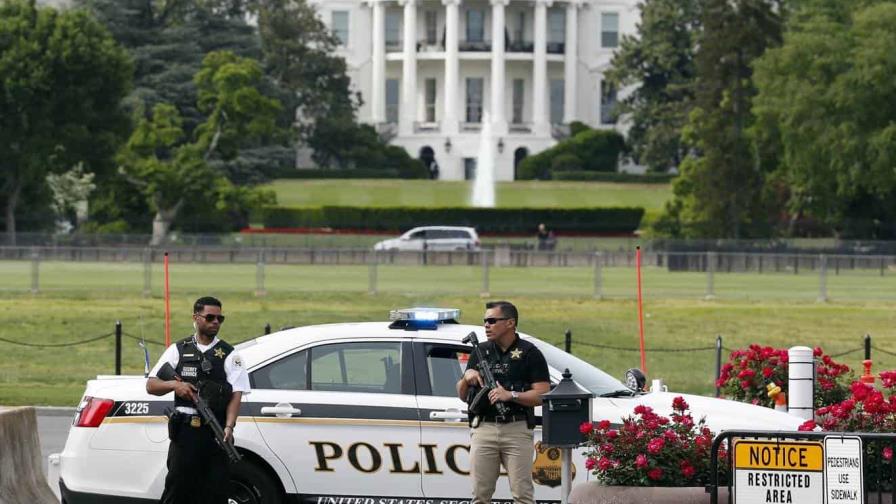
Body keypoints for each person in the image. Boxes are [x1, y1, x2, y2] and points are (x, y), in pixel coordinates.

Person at [146, 296, 250, 504]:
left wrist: (229, 427)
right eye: (210, 317)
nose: (215, 322)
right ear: (196, 317)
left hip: (215, 432)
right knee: (178, 488)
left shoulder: (229, 355)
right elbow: (152, 385)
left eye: (220, 318)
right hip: (185, 434)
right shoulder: (178, 349)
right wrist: (176, 385)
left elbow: (236, 394)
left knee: (215, 491)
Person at [456, 301, 550, 504]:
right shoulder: (480, 351)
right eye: (485, 321)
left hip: (516, 429)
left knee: (522, 495)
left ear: (510, 323)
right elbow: (462, 396)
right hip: (484, 428)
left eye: (492, 320)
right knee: (480, 496)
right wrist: (466, 378)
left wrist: (511, 395)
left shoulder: (529, 353)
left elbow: (543, 394)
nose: (486, 325)